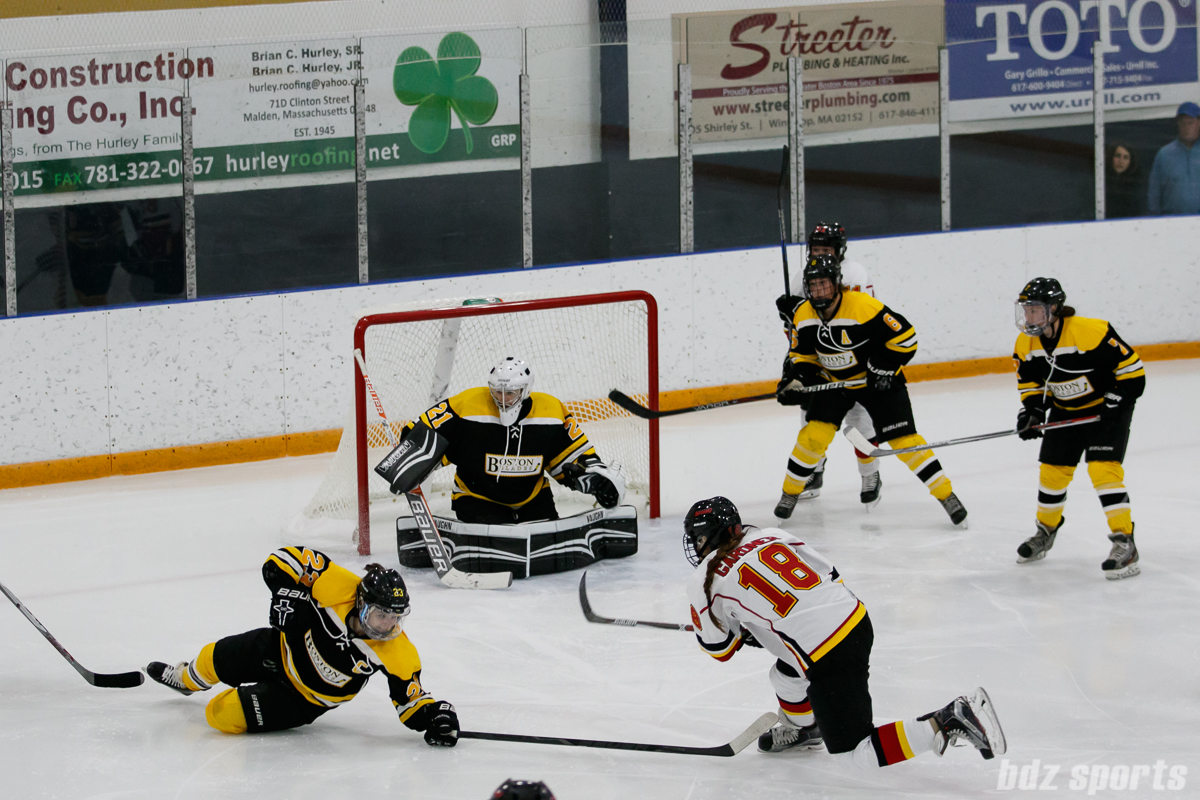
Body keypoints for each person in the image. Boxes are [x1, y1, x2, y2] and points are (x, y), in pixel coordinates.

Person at [683, 496, 1005, 764]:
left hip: (827, 654)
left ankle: (947, 720)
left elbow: (720, 650)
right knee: (784, 675)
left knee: (856, 754)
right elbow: (831, 575)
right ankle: (803, 729)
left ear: (703, 539)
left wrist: (746, 632)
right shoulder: (771, 535)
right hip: (856, 619)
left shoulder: (703, 580)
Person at [145, 547, 460, 743]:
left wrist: (436, 717)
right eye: (381, 615)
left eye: (396, 618)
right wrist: (286, 593)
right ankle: (185, 680)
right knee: (212, 656)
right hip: (278, 649)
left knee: (220, 714)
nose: (388, 626)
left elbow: (411, 703)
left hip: (303, 700)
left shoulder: (398, 652)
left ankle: (244, 695)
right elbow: (280, 561)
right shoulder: (336, 584)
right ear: (362, 603)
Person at [774, 254, 967, 526]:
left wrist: (882, 368)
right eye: (813, 285)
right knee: (812, 437)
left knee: (906, 443)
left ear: (837, 284)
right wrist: (797, 381)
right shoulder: (804, 314)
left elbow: (906, 338)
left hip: (878, 382)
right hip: (835, 383)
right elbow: (803, 356)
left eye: (824, 285)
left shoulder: (863, 306)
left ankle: (946, 495)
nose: (818, 291)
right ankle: (789, 493)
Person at [1012, 278, 1144, 579]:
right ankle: (1045, 531)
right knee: (1052, 474)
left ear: (1054, 308)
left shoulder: (1091, 331)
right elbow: (1031, 384)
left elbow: (1133, 373)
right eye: (1026, 310)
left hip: (1106, 412)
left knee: (1102, 470)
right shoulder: (1026, 344)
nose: (1028, 317)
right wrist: (1031, 412)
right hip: (1066, 411)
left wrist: (1114, 402)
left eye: (1034, 310)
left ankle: (1125, 542)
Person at [394, 356, 626, 525]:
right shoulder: (467, 406)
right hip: (476, 497)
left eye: (510, 393)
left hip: (532, 498)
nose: (503, 399)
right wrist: (407, 459)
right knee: (494, 546)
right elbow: (425, 429)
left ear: (525, 390)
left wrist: (596, 480)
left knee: (543, 551)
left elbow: (575, 454)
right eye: (497, 392)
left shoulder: (551, 411)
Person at [774, 222, 882, 510]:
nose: (821, 253)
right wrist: (790, 313)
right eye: (817, 248)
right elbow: (798, 328)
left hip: (854, 360)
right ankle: (814, 474)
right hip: (818, 362)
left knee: (860, 420)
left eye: (827, 249)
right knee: (811, 420)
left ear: (840, 250)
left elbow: (853, 317)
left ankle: (870, 476)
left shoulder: (854, 273)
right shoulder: (802, 276)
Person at [1146, 102, 1200, 216]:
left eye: (1190, 122)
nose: (1186, 127)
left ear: (1199, 123)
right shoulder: (1164, 154)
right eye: (1182, 123)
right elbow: (1154, 193)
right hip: (1172, 223)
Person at [1105, 142, 1143, 219]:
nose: (1121, 161)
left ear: (1130, 161)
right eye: (1117, 156)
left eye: (1125, 157)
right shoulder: (1101, 181)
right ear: (1111, 157)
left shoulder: (1135, 185)